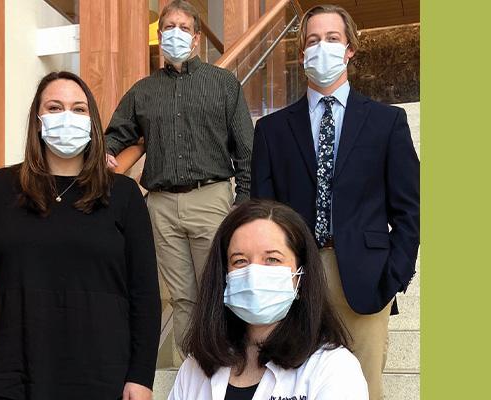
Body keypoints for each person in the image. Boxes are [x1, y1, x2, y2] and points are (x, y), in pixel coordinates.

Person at [250, 5, 420, 400]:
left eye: (331, 39)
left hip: (366, 280)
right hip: (292, 281)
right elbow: (261, 213)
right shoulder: (271, 130)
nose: (320, 47)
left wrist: (394, 275)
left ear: (350, 50)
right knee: (292, 387)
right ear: (301, 53)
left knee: (363, 389)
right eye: (312, 40)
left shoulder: (387, 122)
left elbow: (408, 210)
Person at [0, 71, 161, 400]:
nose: (67, 116)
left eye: (78, 109)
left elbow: (144, 294)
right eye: (55, 108)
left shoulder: (124, 195)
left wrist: (141, 377)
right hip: (15, 376)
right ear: (38, 121)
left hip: (101, 377)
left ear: (92, 121)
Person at [104, 0, 254, 352]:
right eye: (168, 26)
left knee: (219, 289)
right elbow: (116, 134)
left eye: (183, 27)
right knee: (182, 298)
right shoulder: (142, 90)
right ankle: (194, 372)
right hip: (161, 206)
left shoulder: (223, 83)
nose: (175, 33)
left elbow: (247, 149)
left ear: (196, 38)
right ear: (159, 35)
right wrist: (107, 153)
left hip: (211, 196)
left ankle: (227, 364)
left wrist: (242, 202)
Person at [168, 200, 368, 399]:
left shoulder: (333, 369)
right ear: (223, 275)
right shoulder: (195, 368)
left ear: (300, 276)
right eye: (240, 261)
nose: (253, 273)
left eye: (272, 259)